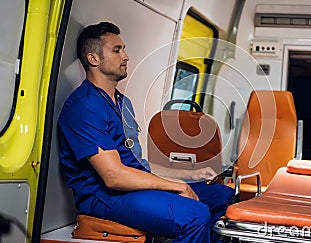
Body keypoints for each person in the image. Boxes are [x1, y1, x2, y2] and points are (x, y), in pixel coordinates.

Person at [58, 21, 234, 243]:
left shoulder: (123, 103)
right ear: (93, 59)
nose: (126, 56)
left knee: (222, 195)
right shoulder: (84, 106)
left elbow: (139, 166)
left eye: (124, 49)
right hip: (104, 196)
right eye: (117, 50)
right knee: (195, 215)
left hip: (132, 188)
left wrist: (190, 175)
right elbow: (113, 177)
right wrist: (178, 186)